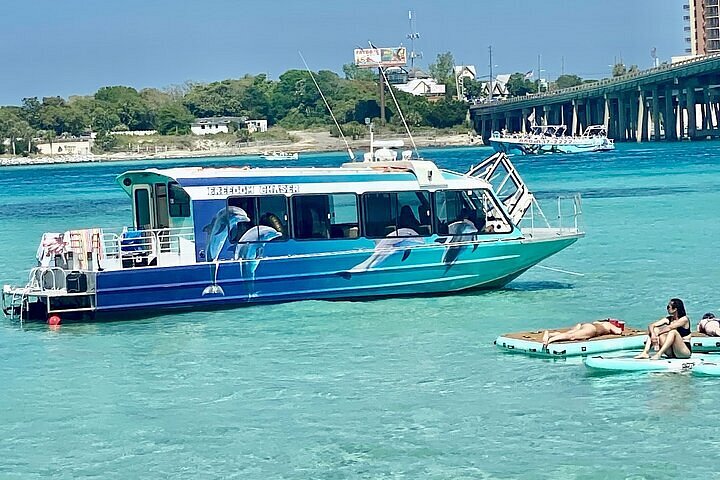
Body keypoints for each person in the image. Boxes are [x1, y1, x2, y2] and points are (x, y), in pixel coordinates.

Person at [542, 320, 623, 347]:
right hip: (592, 329)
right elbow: (618, 332)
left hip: (585, 325)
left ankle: (552, 334)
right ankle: (551, 339)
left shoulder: (598, 322)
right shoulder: (608, 324)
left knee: (570, 333)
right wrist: (618, 328)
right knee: (572, 336)